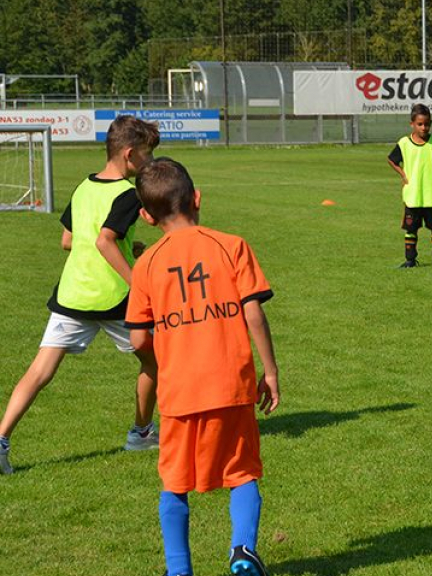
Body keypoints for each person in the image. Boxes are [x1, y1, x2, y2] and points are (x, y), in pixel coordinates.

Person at [126, 158, 281, 575]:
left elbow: (139, 338)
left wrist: (165, 362)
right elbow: (254, 315)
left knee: (174, 483)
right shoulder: (231, 245)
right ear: (197, 198)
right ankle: (242, 550)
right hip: (231, 383)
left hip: (178, 392)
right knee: (242, 471)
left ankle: (179, 570)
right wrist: (270, 371)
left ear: (145, 216)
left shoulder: (147, 264)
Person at [0, 115, 161, 475]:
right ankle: (141, 433)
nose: (149, 163)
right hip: (114, 297)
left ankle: (1, 439)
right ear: (130, 154)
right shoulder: (128, 194)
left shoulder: (84, 187)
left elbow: (69, 241)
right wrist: (137, 280)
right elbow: (104, 240)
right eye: (148, 155)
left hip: (72, 294)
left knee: (40, 371)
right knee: (155, 362)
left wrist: (127, 242)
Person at [387, 104, 432, 268]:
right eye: (420, 124)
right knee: (411, 230)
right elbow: (392, 159)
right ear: (412, 124)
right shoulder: (404, 143)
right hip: (413, 195)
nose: (424, 127)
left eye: (427, 124)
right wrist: (403, 175)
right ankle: (410, 260)